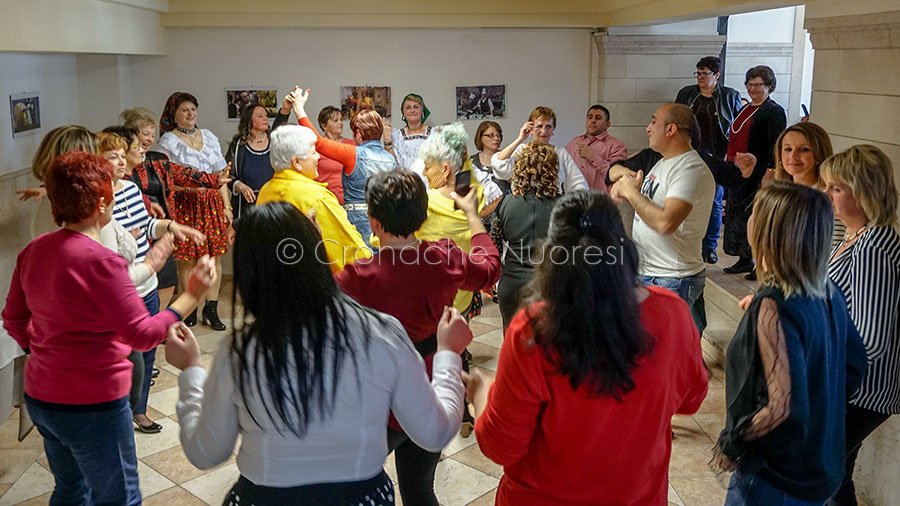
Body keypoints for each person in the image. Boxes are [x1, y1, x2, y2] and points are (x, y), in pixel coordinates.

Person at [165, 202, 472, 505]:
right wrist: (447, 354)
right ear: (317, 252)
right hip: (361, 499)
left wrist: (191, 370)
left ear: (249, 276)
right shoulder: (381, 333)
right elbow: (434, 433)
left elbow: (206, 452)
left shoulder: (240, 352)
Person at [468, 190, 709, 505]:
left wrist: (481, 392)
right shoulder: (673, 314)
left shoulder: (532, 330)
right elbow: (690, 400)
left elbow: (499, 446)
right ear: (623, 248)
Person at [2, 151, 214, 506]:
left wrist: (41, 352)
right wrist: (191, 296)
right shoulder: (102, 261)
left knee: (70, 489)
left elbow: (13, 318)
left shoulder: (34, 251)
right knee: (119, 498)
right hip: (93, 405)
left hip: (42, 398)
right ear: (103, 202)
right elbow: (142, 334)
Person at [336, 169, 500, 506]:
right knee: (419, 489)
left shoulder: (358, 276)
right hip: (433, 386)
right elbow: (489, 268)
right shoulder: (445, 259)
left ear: (374, 222)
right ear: (423, 216)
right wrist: (471, 214)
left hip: (380, 398)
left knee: (354, 487)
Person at [714, 182, 867, 505]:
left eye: (755, 212)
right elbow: (855, 366)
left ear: (772, 230)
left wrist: (730, 445)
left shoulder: (774, 304)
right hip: (819, 468)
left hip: (777, 478)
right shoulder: (827, 289)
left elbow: (782, 407)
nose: (749, 218)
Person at [98, 131, 205, 433]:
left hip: (146, 284)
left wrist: (171, 226)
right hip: (123, 287)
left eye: (122, 155)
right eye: (112, 157)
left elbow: (145, 224)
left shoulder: (131, 188)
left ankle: (139, 410)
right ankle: (121, 411)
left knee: (147, 350)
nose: (121, 161)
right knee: (129, 356)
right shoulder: (98, 199)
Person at [822, 145, 900, 506]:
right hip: (847, 380)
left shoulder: (875, 245)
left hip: (863, 388)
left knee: (828, 474)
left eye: (836, 188)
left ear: (864, 191)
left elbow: (872, 338)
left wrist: (827, 372)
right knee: (833, 474)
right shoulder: (853, 235)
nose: (826, 194)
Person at [609, 103, 715, 334]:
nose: (648, 128)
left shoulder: (690, 169)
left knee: (663, 352)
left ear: (671, 129)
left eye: (654, 121)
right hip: (653, 272)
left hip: (672, 278)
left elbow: (665, 223)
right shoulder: (663, 162)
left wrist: (631, 192)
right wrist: (625, 186)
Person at [123, 107, 228, 309]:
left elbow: (184, 174)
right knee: (137, 283)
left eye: (152, 134)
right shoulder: (120, 166)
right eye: (144, 134)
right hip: (134, 231)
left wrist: (215, 179)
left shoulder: (157, 159)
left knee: (166, 280)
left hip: (162, 227)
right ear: (131, 135)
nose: (149, 139)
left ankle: (157, 323)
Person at [156, 92, 232, 330]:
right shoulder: (167, 140)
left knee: (213, 256)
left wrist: (227, 206)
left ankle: (211, 308)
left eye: (193, 110)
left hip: (211, 201)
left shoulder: (208, 136)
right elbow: (167, 179)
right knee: (187, 258)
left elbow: (221, 177)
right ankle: (188, 307)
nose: (190, 114)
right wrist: (194, 185)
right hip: (185, 201)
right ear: (174, 114)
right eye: (184, 110)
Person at [255, 124, 371, 272]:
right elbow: (350, 252)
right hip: (312, 286)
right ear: (296, 162)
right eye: (314, 152)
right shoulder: (316, 198)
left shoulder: (266, 190)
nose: (318, 157)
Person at [719, 66, 787, 280]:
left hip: (757, 172)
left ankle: (758, 262)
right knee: (737, 214)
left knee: (754, 216)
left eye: (758, 85)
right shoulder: (745, 108)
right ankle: (743, 258)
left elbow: (775, 143)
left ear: (769, 86)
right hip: (738, 171)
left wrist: (770, 170)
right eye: (750, 84)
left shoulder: (773, 111)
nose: (753, 89)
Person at [675, 56, 743, 264]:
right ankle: (687, 242)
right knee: (684, 197)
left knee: (713, 202)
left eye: (705, 74)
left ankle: (710, 246)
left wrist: (729, 155)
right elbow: (675, 119)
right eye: (698, 73)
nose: (701, 78)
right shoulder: (687, 94)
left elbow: (735, 129)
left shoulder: (730, 96)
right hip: (689, 154)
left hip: (716, 156)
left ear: (717, 75)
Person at [416, 123, 486, 318]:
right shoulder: (474, 196)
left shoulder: (426, 204)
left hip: (434, 301)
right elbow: (466, 170)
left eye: (427, 167)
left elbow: (384, 239)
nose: (424, 172)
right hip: (463, 295)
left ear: (445, 169)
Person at [495, 142, 560, 328]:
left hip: (511, 285)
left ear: (519, 168)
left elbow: (494, 245)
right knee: (546, 347)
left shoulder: (506, 203)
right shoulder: (563, 206)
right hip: (547, 285)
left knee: (512, 345)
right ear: (552, 170)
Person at [491, 106, 587, 193]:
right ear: (531, 129)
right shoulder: (521, 150)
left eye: (548, 127)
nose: (543, 131)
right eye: (539, 126)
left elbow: (579, 184)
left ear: (553, 130)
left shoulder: (560, 153)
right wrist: (520, 139)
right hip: (523, 204)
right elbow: (499, 165)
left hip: (551, 205)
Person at [225, 100, 291, 219]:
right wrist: (239, 185)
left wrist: (286, 109)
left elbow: (279, 123)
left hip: (273, 203)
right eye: (260, 116)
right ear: (249, 120)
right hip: (246, 206)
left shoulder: (274, 141)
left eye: (266, 115)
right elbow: (227, 174)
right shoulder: (238, 145)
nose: (265, 118)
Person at [565, 104, 627, 192]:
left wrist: (592, 156)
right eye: (590, 117)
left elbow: (616, 176)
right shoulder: (573, 143)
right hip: (574, 200)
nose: (593, 120)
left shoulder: (617, 146)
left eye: (598, 118)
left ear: (608, 124)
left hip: (601, 201)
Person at [388, 93, 433, 170]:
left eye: (416, 107)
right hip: (404, 179)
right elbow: (392, 163)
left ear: (422, 112)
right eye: (408, 108)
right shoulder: (397, 135)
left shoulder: (434, 133)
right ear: (403, 113)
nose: (412, 110)